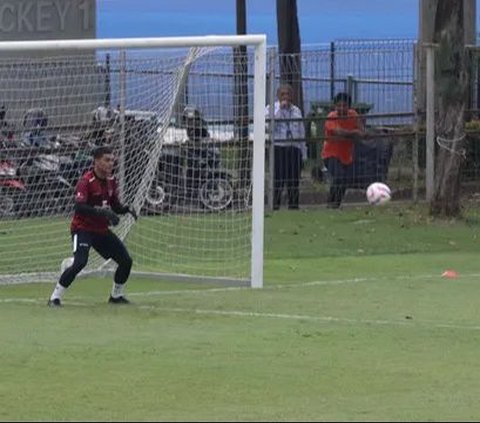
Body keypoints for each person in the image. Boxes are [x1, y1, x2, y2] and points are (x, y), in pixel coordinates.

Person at [48, 146, 138, 307]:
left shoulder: (112, 180)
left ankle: (116, 296)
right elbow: (79, 207)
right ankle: (55, 297)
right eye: (107, 160)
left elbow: (115, 205)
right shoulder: (86, 181)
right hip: (82, 229)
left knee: (126, 261)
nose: (111, 163)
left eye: (112, 160)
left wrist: (126, 209)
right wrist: (104, 213)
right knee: (80, 262)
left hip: (101, 231)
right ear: (96, 161)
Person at [265, 84, 307, 210]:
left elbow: (301, 132)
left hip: (293, 148)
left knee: (293, 180)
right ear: (278, 96)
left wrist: (303, 153)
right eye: (283, 94)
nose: (286, 97)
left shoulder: (296, 111)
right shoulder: (271, 108)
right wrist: (279, 111)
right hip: (278, 147)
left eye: (288, 94)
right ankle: (275, 206)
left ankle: (293, 206)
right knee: (278, 179)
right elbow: (267, 127)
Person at [322, 92, 366, 208]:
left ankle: (335, 204)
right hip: (330, 154)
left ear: (349, 106)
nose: (341, 108)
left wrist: (354, 133)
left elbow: (362, 132)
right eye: (339, 105)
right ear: (335, 106)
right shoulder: (332, 116)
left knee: (344, 181)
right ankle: (331, 203)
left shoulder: (353, 115)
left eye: (344, 105)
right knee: (339, 176)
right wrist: (353, 133)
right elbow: (337, 131)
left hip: (346, 156)